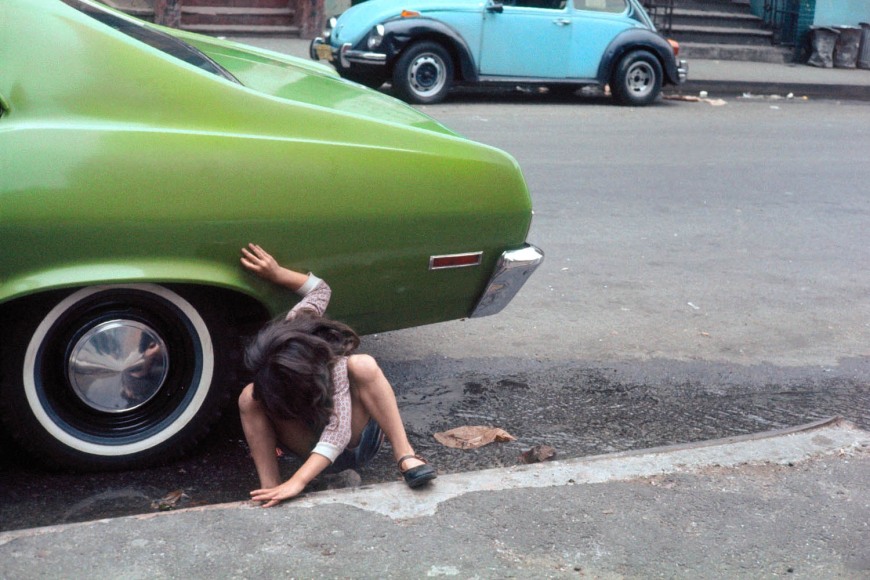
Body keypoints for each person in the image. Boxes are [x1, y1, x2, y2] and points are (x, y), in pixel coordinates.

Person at [238, 243, 436, 507]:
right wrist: (276, 274)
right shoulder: (297, 323)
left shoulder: (335, 366)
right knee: (249, 396)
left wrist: (298, 481)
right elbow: (320, 289)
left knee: (363, 365)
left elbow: (338, 433)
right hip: (306, 443)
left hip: (352, 445)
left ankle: (405, 456)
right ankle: (270, 487)